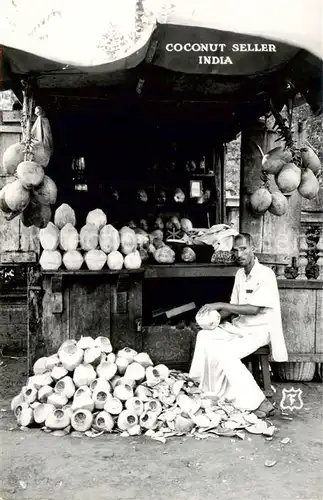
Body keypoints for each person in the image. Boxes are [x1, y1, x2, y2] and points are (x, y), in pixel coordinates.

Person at [189, 232, 288, 418]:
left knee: (227, 355)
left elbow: (253, 309)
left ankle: (259, 402)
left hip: (259, 330)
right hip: (239, 326)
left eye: (243, 249)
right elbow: (233, 309)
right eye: (236, 250)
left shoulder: (266, 275)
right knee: (204, 336)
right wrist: (211, 320)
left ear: (253, 249)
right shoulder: (240, 275)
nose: (239, 254)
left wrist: (218, 304)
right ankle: (204, 388)